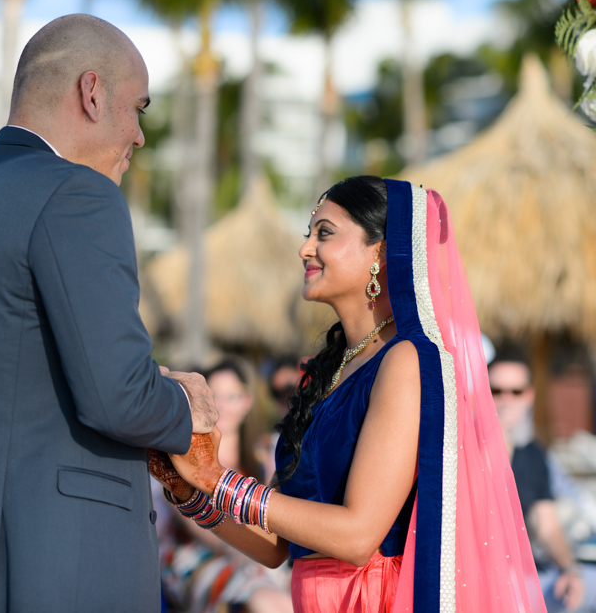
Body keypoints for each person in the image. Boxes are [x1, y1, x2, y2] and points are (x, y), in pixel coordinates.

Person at [0, 14, 217, 612]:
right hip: (45, 572)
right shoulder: (80, 195)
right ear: (92, 92)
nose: (139, 136)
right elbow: (120, 397)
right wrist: (187, 402)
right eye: (139, 109)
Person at [149, 176, 546, 612]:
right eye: (309, 234)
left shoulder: (405, 362)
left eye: (325, 233)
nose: (305, 249)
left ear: (380, 251)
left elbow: (358, 537)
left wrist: (218, 479)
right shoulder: (327, 371)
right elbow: (278, 546)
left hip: (372, 599)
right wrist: (190, 491)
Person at [488, 355, 596, 613]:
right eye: (496, 391)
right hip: (484, 581)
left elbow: (548, 525)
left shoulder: (533, 453)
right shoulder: (467, 448)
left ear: (529, 396)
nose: (506, 399)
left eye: (515, 391)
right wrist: (498, 436)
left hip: (530, 577)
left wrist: (569, 568)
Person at [159, 358, 292, 613]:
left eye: (232, 397)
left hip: (260, 557)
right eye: (215, 395)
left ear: (246, 402)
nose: (222, 405)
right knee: (265, 597)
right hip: (202, 554)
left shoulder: (267, 454)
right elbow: (195, 522)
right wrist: (252, 556)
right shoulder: (184, 454)